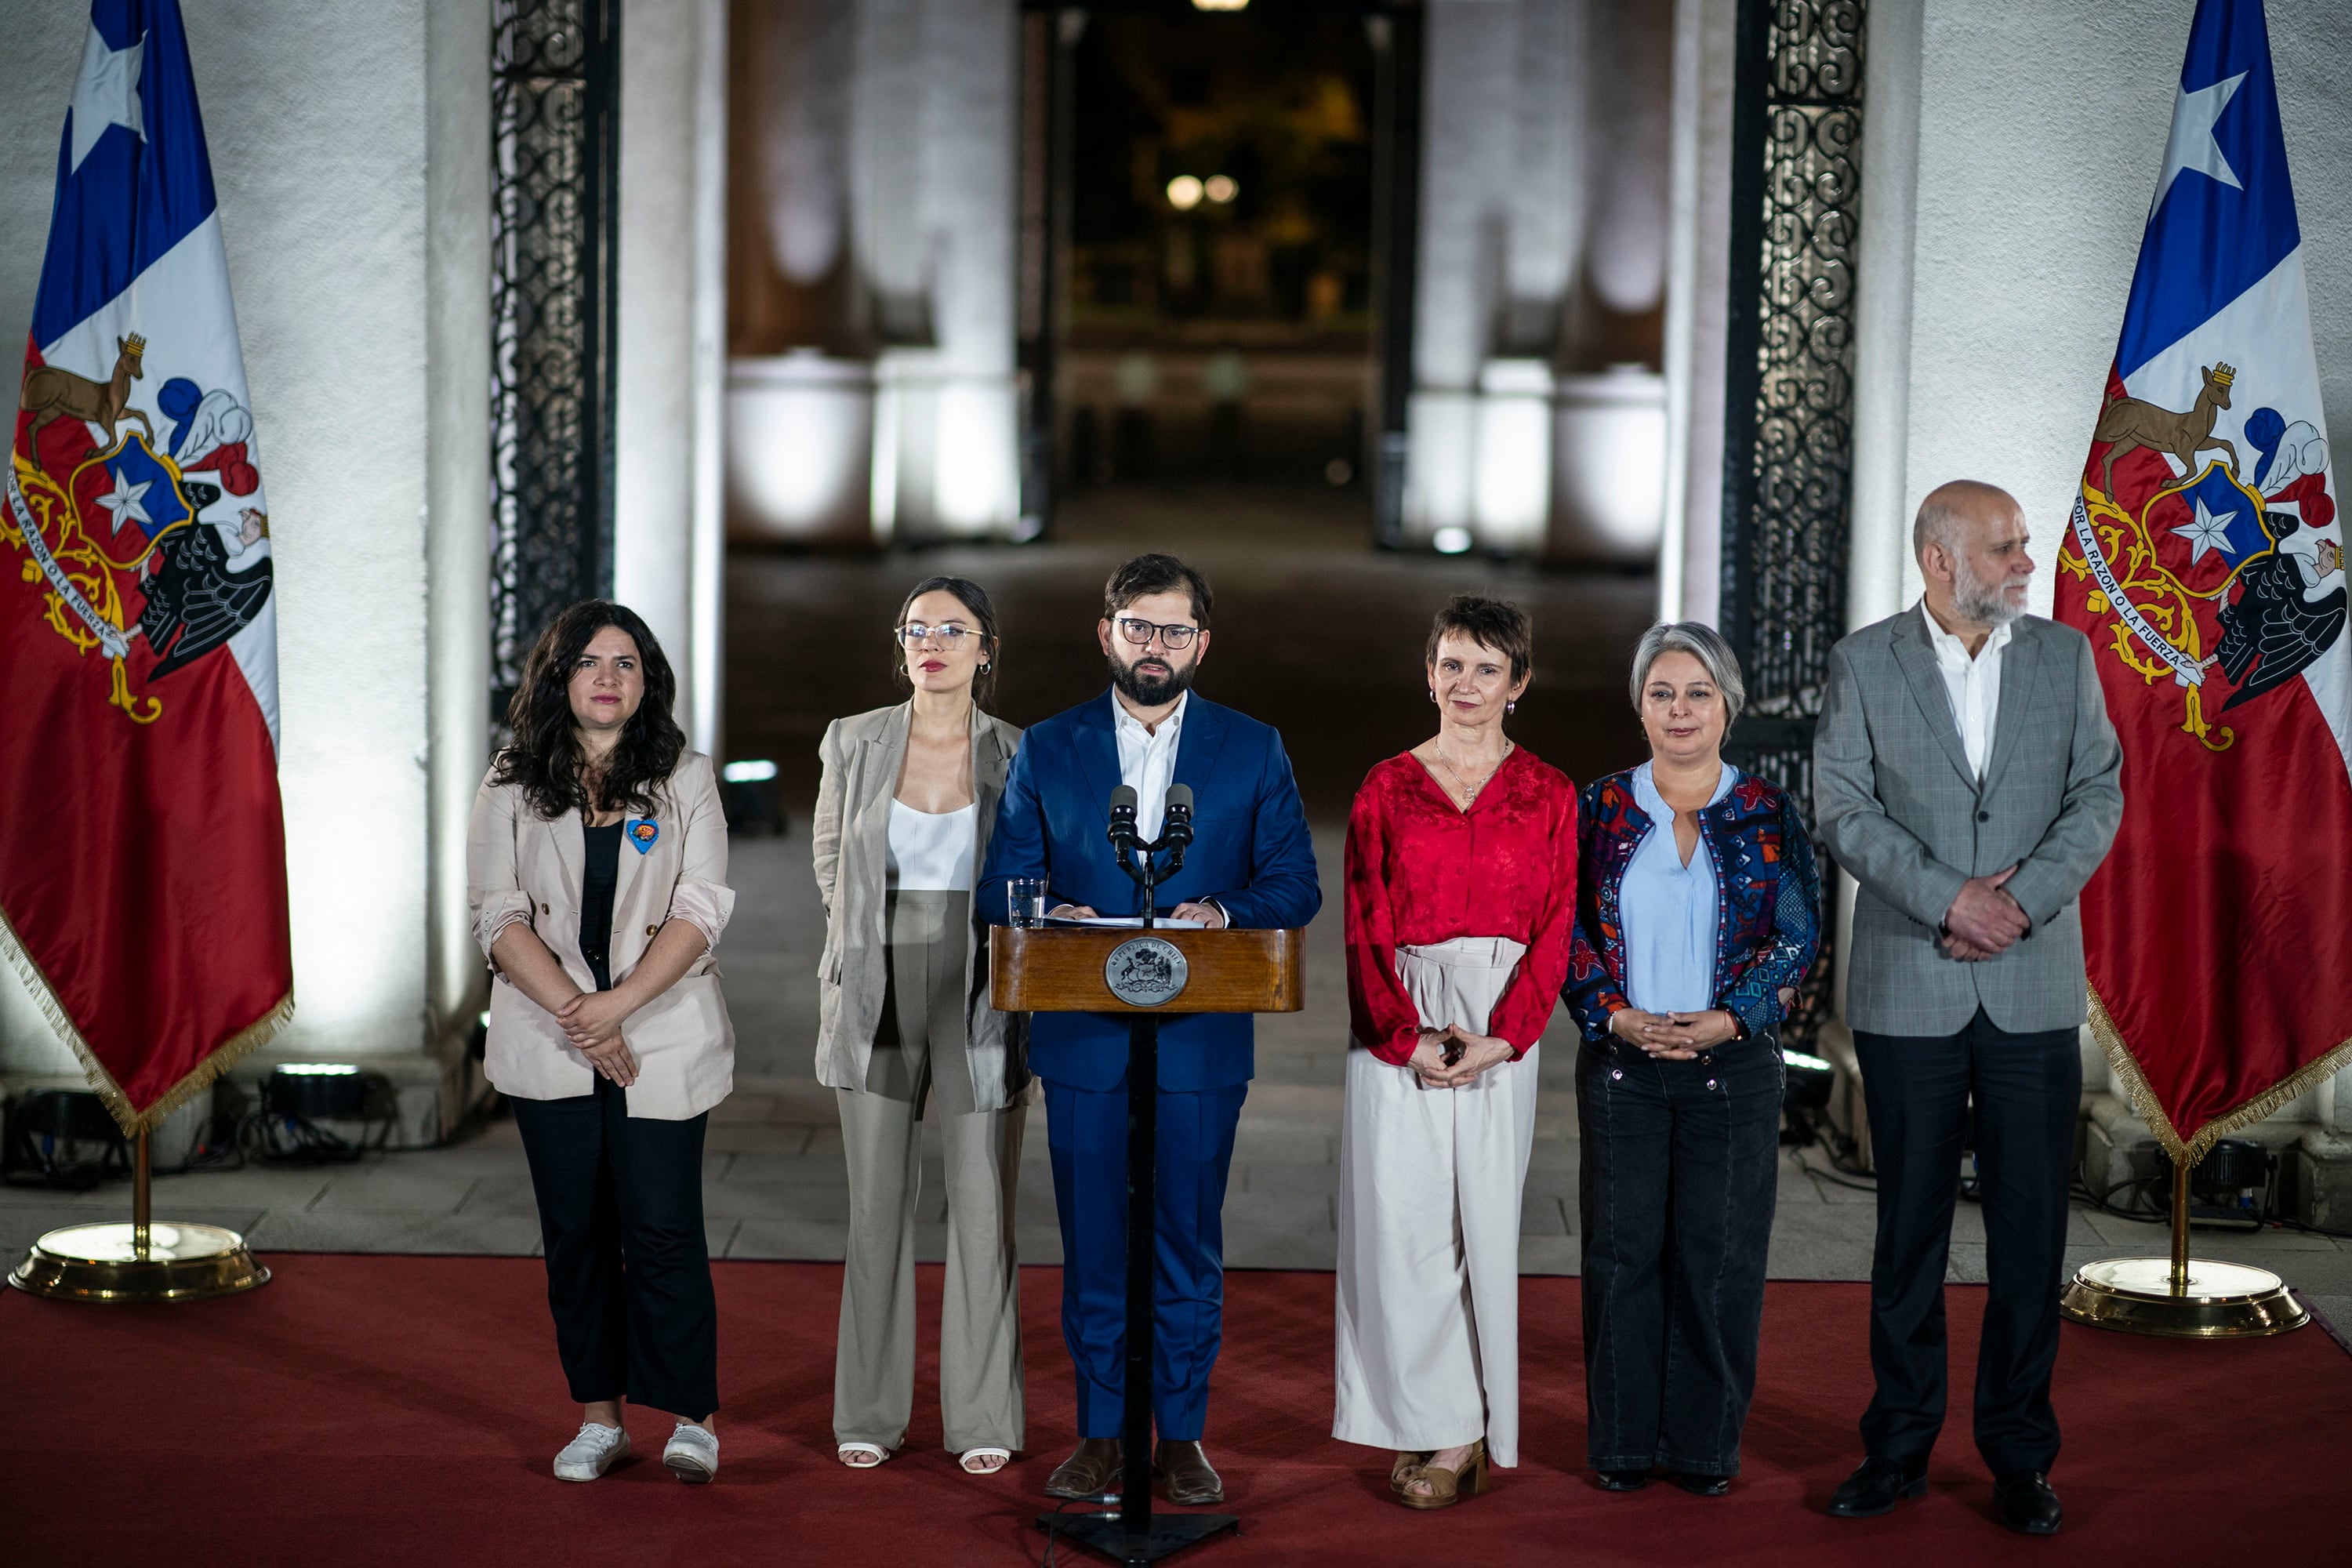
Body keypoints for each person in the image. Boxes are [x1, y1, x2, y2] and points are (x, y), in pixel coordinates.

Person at [978, 553, 1321, 1507]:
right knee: (1093, 1239)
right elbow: (1004, 884)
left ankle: (1181, 1434)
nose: (1155, 645)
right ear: (1107, 633)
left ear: (1202, 643)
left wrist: (1216, 911)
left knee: (1184, 1238)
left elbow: (1296, 882)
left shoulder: (1254, 748)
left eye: (1174, 630)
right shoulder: (1049, 747)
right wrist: (1056, 914)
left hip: (1202, 1041)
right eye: (1138, 626)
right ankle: (1098, 1430)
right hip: (1084, 1036)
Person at [1814, 480, 2122, 1536]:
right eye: (2004, 548)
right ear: (1939, 560)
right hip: (1912, 985)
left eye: (2024, 545)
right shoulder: (1864, 663)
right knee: (1908, 1233)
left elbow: (2100, 794)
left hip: (2032, 985)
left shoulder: (2065, 659)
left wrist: (2016, 905)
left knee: (2034, 1234)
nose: (2025, 563)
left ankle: (2020, 1457)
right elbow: (1841, 805)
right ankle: (1897, 1447)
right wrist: (1949, 898)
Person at [467, 601, 737, 1485]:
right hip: (553, 1036)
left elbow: (701, 906)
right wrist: (581, 1015)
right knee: (576, 1232)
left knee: (663, 1227)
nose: (608, 677)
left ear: (647, 678)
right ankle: (600, 1416)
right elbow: (498, 912)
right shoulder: (511, 778)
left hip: (658, 1028)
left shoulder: (685, 775)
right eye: (589, 662)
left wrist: (616, 1005)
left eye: (626, 662)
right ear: (559, 677)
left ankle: (692, 1416)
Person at [1563, 622, 1822, 1498]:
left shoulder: (1768, 810)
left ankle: (1707, 1446)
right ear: (1639, 704)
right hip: (1623, 1069)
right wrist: (1619, 1016)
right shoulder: (1596, 807)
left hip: (1731, 1069)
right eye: (1662, 692)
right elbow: (1564, 933)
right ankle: (1625, 1443)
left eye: (1697, 692)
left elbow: (1798, 935)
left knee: (1718, 1259)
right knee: (1621, 1255)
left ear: (1728, 705)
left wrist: (1729, 1018)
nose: (1680, 710)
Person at [1335, 595, 1580, 1509]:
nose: (1466, 683)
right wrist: (1406, 1035)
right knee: (1402, 1231)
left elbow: (1557, 926)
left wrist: (1505, 1036)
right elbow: (1363, 922)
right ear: (1427, 671)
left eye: (1487, 668)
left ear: (1518, 683)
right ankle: (1439, 1420)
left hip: (1499, 1027)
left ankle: (1470, 1424)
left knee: (1479, 1224)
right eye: (1451, 663)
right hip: (1402, 1019)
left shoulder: (1550, 792)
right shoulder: (1386, 785)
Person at [812, 575, 1028, 1477]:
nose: (931, 641)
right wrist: (863, 944)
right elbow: (831, 854)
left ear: (986, 647)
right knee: (876, 1206)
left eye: (953, 627)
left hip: (981, 980)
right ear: (899, 643)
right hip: (877, 976)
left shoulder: (1019, 750)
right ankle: (868, 1407)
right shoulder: (854, 738)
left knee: (981, 1205)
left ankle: (983, 1413)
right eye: (916, 627)